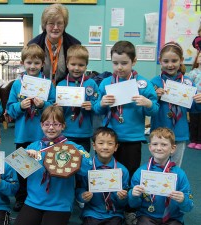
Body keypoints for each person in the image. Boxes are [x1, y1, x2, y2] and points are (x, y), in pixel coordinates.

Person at [93, 40, 159, 225]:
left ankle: (129, 209)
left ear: (134, 62)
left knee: (129, 173)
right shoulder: (106, 82)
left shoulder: (143, 83)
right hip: (108, 139)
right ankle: (105, 205)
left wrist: (148, 104)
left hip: (132, 138)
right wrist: (102, 103)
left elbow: (154, 110)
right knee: (107, 171)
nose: (119, 67)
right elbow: (97, 109)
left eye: (124, 63)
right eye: (115, 63)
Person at [13, 105, 92, 225]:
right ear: (41, 125)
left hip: (60, 205)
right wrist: (25, 158)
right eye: (47, 124)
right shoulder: (33, 147)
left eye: (56, 124)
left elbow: (88, 170)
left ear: (63, 125)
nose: (51, 128)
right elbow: (17, 171)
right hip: (33, 201)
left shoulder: (74, 148)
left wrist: (75, 156)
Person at [6, 44, 55, 211]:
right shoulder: (17, 85)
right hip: (23, 135)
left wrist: (44, 105)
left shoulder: (47, 84)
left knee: (43, 167)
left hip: (42, 136)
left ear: (42, 64)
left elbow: (55, 108)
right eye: (29, 62)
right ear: (22, 63)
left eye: (36, 63)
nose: (32, 66)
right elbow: (10, 109)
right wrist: (20, 106)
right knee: (22, 169)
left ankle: (41, 196)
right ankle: (21, 197)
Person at [128, 127, 194, 225]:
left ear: (173, 148)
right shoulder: (141, 172)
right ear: (150, 147)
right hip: (147, 216)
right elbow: (133, 204)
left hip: (173, 217)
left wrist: (183, 200)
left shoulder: (179, 174)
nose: (159, 148)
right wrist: (133, 195)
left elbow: (189, 207)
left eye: (164, 144)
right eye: (155, 144)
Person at [150, 42, 201, 166]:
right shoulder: (154, 82)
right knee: (157, 166)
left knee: (174, 167)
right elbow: (150, 109)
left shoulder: (188, 82)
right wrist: (155, 97)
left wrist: (198, 102)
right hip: (159, 132)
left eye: (174, 61)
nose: (170, 65)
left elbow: (193, 109)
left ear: (181, 60)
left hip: (179, 132)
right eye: (166, 61)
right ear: (160, 61)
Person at [76, 127, 129, 225]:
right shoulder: (86, 168)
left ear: (116, 147)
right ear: (94, 146)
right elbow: (79, 189)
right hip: (92, 212)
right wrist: (82, 196)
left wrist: (122, 197)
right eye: (101, 143)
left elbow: (123, 203)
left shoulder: (122, 171)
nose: (105, 147)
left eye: (110, 143)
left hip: (114, 213)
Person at [57, 45, 99, 152]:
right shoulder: (61, 84)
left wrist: (92, 105)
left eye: (81, 65)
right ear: (67, 64)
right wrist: (57, 108)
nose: (76, 68)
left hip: (84, 132)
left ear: (86, 66)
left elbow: (98, 104)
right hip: (65, 131)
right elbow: (55, 109)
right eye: (73, 64)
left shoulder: (91, 84)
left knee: (83, 161)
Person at [28, 3, 81, 85]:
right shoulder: (34, 44)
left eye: (59, 23)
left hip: (66, 90)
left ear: (64, 24)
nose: (55, 27)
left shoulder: (74, 45)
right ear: (45, 25)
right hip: (40, 89)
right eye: (51, 23)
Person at [186, 51, 201, 150]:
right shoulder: (193, 73)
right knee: (193, 121)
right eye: (200, 56)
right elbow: (187, 85)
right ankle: (193, 140)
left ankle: (199, 141)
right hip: (193, 102)